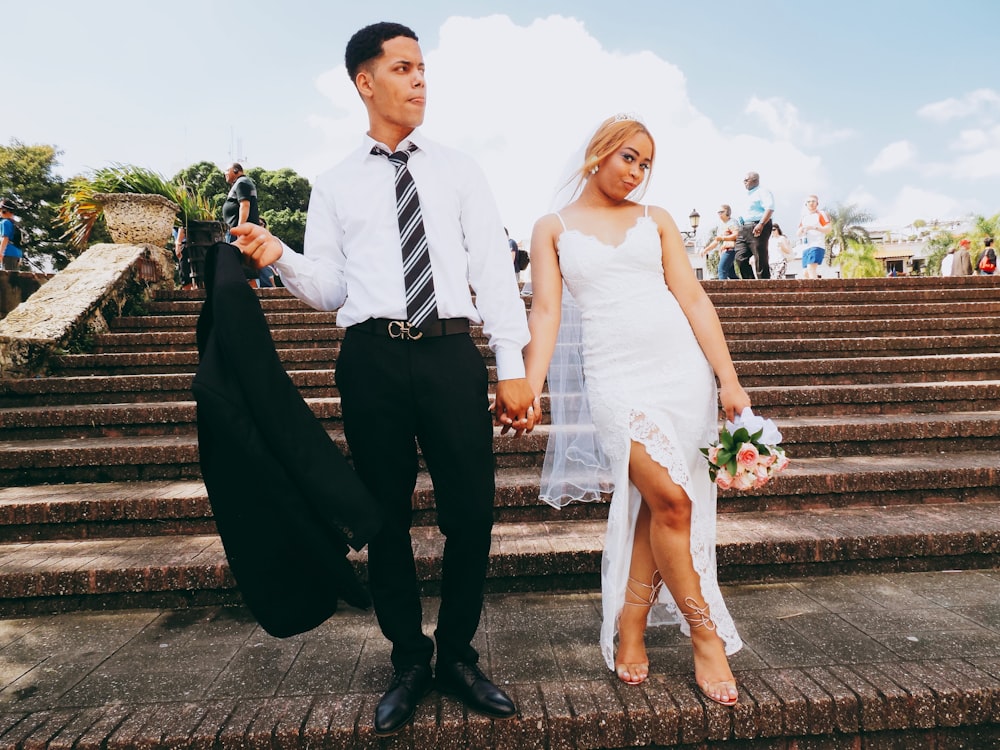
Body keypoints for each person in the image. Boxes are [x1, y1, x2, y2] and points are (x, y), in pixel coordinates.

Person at [233, 21, 534, 737]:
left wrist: (514, 366)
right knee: (385, 518)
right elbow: (334, 289)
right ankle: (408, 659)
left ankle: (458, 654)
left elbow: (492, 269)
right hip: (370, 360)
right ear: (365, 82)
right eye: (403, 68)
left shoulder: (459, 169)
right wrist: (279, 254)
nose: (420, 79)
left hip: (450, 352)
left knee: (472, 513)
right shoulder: (334, 184)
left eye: (423, 67)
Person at [523, 115, 748, 706]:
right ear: (598, 153)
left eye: (646, 164)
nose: (636, 172)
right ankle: (705, 634)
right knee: (673, 501)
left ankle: (631, 623)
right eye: (628, 157)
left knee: (662, 507)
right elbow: (546, 313)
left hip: (681, 372)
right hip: (616, 379)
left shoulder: (659, 220)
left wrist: (728, 380)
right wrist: (530, 383)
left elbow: (693, 297)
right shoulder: (551, 228)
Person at [734, 172, 774, 279]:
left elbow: (769, 208)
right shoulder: (746, 195)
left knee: (760, 257)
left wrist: (761, 224)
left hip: (758, 225)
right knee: (740, 257)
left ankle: (764, 284)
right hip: (744, 227)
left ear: (755, 180)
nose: (744, 182)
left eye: (746, 180)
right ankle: (750, 283)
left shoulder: (763, 191)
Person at [700, 205, 739, 280]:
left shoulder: (732, 222)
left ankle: (722, 290)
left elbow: (735, 235)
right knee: (731, 274)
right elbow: (716, 241)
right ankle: (741, 290)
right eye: (718, 212)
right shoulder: (721, 225)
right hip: (725, 250)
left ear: (727, 212)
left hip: (731, 249)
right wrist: (706, 249)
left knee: (721, 270)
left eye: (721, 212)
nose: (720, 214)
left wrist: (722, 238)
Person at [796, 195, 831, 279]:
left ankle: (815, 290)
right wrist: (801, 230)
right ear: (806, 204)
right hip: (806, 247)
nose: (811, 203)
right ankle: (812, 287)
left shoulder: (821, 214)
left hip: (817, 245)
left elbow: (828, 229)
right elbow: (798, 233)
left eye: (813, 201)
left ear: (817, 203)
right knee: (805, 272)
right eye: (809, 201)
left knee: (811, 268)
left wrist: (813, 227)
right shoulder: (804, 217)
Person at [222, 163, 260, 240]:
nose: (225, 173)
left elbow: (245, 205)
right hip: (238, 230)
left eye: (227, 170)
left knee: (234, 251)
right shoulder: (241, 182)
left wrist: (240, 228)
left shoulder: (242, 183)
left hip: (239, 231)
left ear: (236, 170)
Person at [0, 199, 24, 271]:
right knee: (14, 277)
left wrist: (0, 253)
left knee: (7, 279)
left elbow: (5, 239)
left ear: (4, 210)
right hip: (17, 253)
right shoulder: (15, 223)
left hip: (8, 253)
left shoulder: (4, 222)